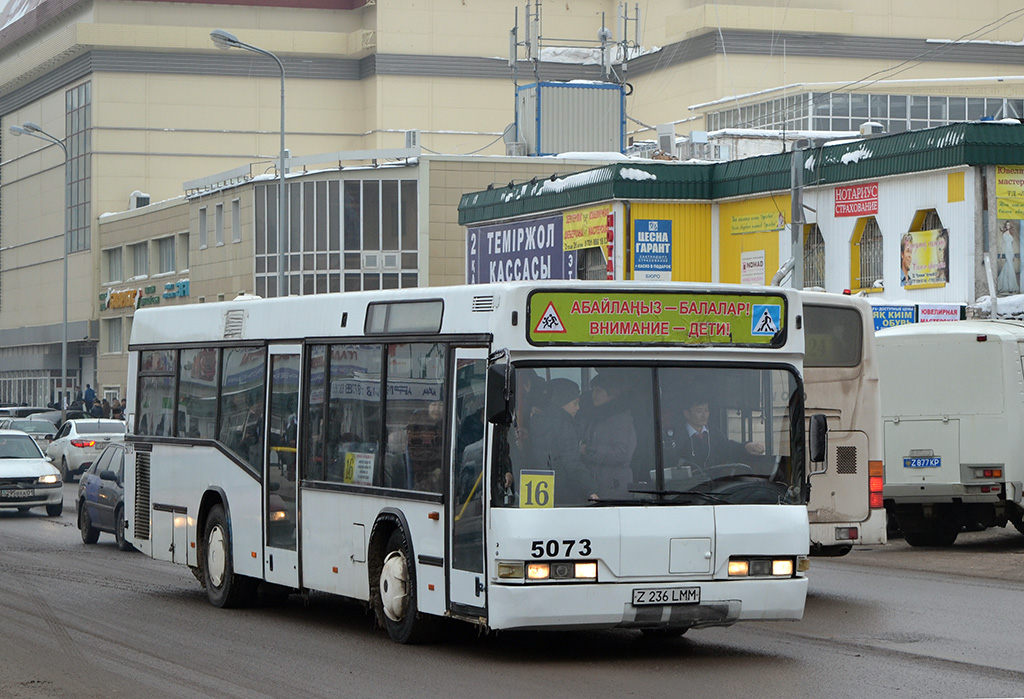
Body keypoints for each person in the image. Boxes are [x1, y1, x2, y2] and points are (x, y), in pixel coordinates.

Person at [529, 378, 595, 503]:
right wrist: (591, 490)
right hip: (561, 488)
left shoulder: (536, 420)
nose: (578, 408)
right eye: (575, 403)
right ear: (563, 403)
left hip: (536, 486)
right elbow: (572, 462)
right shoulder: (565, 426)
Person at [579, 373, 636, 499]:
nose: (594, 395)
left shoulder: (622, 419)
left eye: (599, 391)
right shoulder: (594, 416)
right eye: (593, 390)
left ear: (613, 393)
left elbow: (622, 454)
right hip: (596, 488)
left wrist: (588, 450)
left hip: (615, 490)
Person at [678, 395, 764, 475]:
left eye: (706, 410)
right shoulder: (678, 436)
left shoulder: (714, 432)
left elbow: (728, 447)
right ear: (687, 413)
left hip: (715, 484)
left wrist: (745, 446)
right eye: (699, 411)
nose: (704, 415)